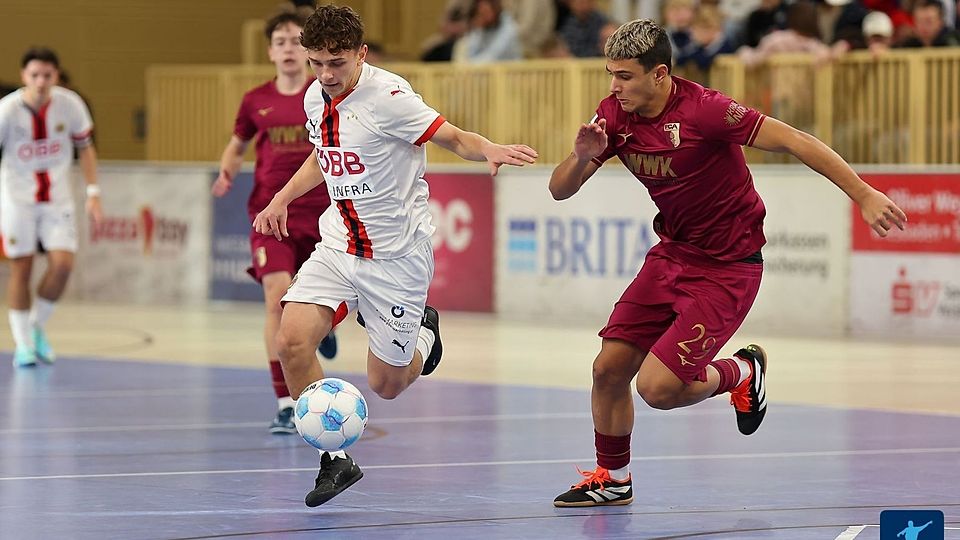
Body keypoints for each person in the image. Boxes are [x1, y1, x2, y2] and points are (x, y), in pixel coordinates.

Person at [549, 18, 906, 507]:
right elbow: (559, 190)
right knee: (608, 370)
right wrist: (580, 157)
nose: (614, 87)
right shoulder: (614, 115)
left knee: (657, 388)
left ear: (660, 75)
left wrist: (863, 194)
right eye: (611, 74)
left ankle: (740, 373)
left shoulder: (707, 111)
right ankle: (614, 479)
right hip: (671, 255)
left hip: (727, 267)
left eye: (625, 76)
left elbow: (797, 140)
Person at [252, 4, 537, 507]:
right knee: (291, 342)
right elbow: (326, 156)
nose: (325, 75)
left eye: (336, 62)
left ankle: (425, 331)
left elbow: (451, 137)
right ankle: (335, 460)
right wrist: (281, 198)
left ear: (361, 54)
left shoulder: (390, 96)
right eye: (316, 62)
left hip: (395, 261)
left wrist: (487, 147)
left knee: (387, 384)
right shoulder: (317, 98)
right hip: (339, 244)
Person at [212, 12, 339, 435]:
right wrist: (227, 171)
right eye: (279, 41)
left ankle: (325, 328)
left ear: (306, 50)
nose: (287, 47)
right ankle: (286, 402)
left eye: (294, 41)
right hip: (270, 216)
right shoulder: (254, 100)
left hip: (324, 214)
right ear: (270, 51)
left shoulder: (325, 93)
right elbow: (237, 145)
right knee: (276, 298)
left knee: (322, 304)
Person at [0, 47, 103, 368]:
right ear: (24, 77)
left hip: (57, 199)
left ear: (56, 76)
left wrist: (93, 191)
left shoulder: (70, 105)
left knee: (62, 265)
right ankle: (23, 345)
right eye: (34, 75)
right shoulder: (7, 110)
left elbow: (86, 149)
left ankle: (36, 326)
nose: (41, 82)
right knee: (22, 268)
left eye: (47, 75)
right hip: (17, 199)